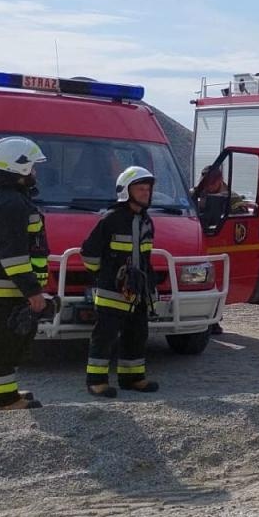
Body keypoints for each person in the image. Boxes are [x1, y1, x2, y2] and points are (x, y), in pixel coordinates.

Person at [0, 136, 54, 410]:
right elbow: (14, 256)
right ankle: (2, 398)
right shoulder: (11, 204)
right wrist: (32, 292)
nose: (35, 172)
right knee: (7, 341)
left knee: (4, 338)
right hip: (7, 286)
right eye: (32, 167)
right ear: (19, 168)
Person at [79, 166, 160, 398]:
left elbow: (145, 257)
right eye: (140, 189)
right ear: (127, 191)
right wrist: (105, 276)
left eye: (147, 189)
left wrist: (149, 285)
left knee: (137, 333)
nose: (146, 193)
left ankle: (132, 378)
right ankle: (96, 382)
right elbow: (89, 253)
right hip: (112, 292)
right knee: (104, 336)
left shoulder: (146, 221)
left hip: (138, 291)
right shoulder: (111, 219)